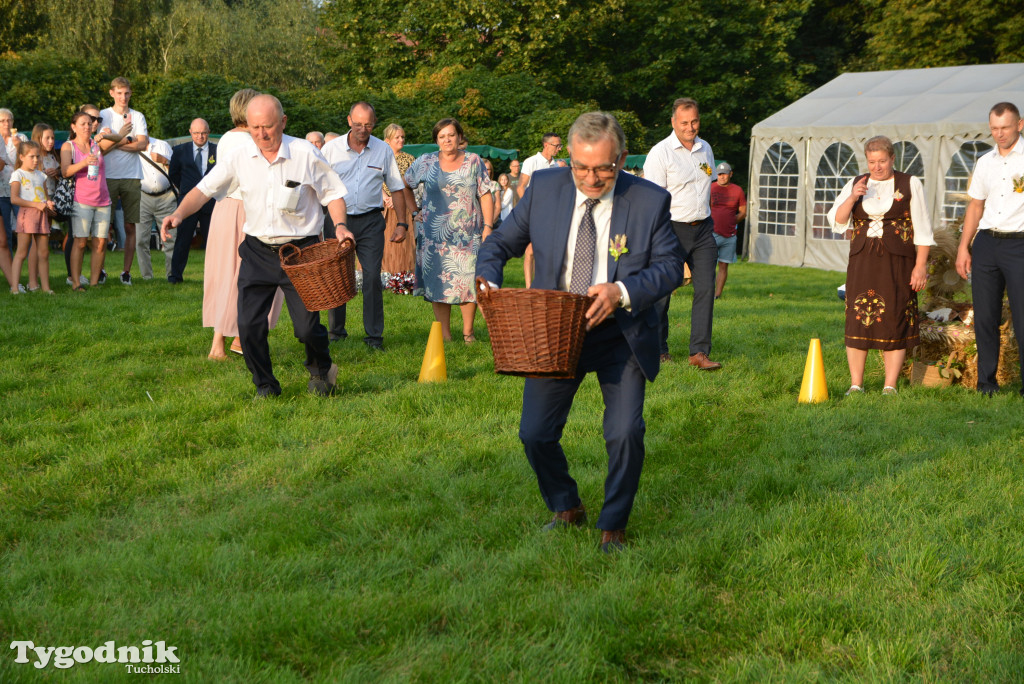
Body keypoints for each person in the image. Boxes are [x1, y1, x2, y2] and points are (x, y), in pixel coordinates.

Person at [476, 111, 684, 553]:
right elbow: (500, 243)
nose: (591, 179)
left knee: (624, 432)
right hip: (556, 330)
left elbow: (670, 268)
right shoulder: (545, 189)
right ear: (568, 158)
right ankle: (566, 505)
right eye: (582, 168)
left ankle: (613, 525)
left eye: (604, 168)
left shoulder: (650, 200)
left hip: (620, 335)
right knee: (534, 434)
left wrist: (622, 290)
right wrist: (489, 281)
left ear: (622, 158)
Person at [161, 94, 351, 398]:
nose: (262, 134)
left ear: (283, 122)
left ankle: (321, 369)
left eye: (268, 127)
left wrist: (340, 226)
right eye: (254, 127)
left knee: (305, 329)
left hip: (301, 254)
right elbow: (204, 190)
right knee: (248, 327)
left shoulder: (304, 153)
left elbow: (333, 194)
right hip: (257, 252)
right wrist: (178, 214)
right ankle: (265, 385)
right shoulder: (239, 156)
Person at [829, 135, 933, 395]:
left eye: (882, 161)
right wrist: (853, 197)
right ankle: (856, 384)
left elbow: (922, 228)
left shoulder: (910, 183)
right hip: (862, 261)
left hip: (898, 261)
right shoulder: (857, 183)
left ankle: (890, 385)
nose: (877, 166)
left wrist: (920, 266)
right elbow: (838, 222)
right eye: (872, 161)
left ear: (892, 159)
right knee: (857, 317)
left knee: (895, 316)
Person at [202, 88, 284, 361]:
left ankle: (219, 344)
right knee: (255, 273)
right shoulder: (250, 142)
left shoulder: (224, 138)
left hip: (223, 209)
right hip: (247, 209)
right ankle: (239, 337)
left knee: (225, 274)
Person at [321, 102, 410, 349]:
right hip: (338, 221)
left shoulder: (383, 150)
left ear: (374, 123)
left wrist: (402, 223)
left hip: (371, 221)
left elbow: (396, 187)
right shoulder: (331, 150)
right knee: (338, 275)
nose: (363, 129)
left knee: (371, 276)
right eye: (358, 124)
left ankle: (374, 336)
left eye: (368, 124)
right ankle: (336, 332)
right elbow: (317, 185)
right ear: (349, 120)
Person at [644, 97, 722, 370]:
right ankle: (657, 347)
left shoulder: (705, 149)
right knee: (663, 292)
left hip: (702, 230)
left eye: (695, 121)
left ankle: (699, 353)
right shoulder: (660, 153)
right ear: (673, 122)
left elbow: (708, 185)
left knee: (705, 290)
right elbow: (653, 198)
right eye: (684, 122)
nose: (691, 127)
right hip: (670, 230)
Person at [404, 117, 494, 343]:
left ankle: (468, 333)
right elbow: (405, 184)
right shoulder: (425, 161)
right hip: (434, 235)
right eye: (442, 136)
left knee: (467, 283)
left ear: (459, 137)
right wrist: (415, 212)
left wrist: (489, 227)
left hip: (468, 235)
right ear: (436, 139)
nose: (447, 140)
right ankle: (445, 335)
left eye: (451, 135)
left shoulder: (474, 161)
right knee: (438, 284)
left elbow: (485, 194)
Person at [956, 102, 1024, 396]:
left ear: (1019, 125)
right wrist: (963, 247)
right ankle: (986, 383)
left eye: (1005, 128)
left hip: (1020, 244)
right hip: (986, 243)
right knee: (984, 315)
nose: (999, 134)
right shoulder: (985, 161)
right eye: (994, 128)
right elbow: (975, 206)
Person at [60, 108, 126, 289]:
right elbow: (65, 171)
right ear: (73, 127)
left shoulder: (96, 143)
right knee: (80, 242)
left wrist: (103, 136)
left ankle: (95, 283)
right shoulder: (69, 146)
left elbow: (120, 139)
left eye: (90, 124)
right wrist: (83, 162)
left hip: (103, 199)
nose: (88, 127)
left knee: (100, 242)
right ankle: (75, 283)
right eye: (83, 124)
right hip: (81, 200)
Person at [99, 77, 149, 285]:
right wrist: (126, 139)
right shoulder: (103, 115)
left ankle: (126, 272)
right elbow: (100, 147)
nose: (123, 97)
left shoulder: (137, 116)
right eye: (119, 93)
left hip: (131, 176)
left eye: (127, 93)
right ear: (112, 93)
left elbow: (142, 145)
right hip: (107, 175)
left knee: (130, 227)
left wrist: (116, 141)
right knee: (103, 227)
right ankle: (99, 270)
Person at [167, 118, 217, 283]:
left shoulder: (218, 151)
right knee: (183, 239)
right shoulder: (180, 150)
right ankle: (175, 276)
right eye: (196, 133)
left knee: (213, 241)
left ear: (208, 132)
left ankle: (214, 277)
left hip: (211, 202)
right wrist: (185, 190)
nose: (200, 136)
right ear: (190, 132)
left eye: (203, 133)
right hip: (187, 202)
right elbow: (173, 174)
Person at [9, 141, 55, 294]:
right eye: (31, 157)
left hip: (41, 215)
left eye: (37, 157)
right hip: (27, 215)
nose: (35, 160)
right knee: (22, 252)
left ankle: (46, 287)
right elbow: (14, 199)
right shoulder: (17, 174)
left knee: (44, 252)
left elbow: (45, 196)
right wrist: (36, 205)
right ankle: (14, 287)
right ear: (21, 157)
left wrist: (48, 203)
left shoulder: (41, 176)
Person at [518, 132, 561, 288]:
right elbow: (521, 187)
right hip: (533, 212)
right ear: (546, 145)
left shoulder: (556, 166)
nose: (559, 149)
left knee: (543, 252)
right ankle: (530, 288)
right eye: (556, 146)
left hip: (550, 215)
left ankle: (539, 285)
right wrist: (529, 208)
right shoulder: (532, 162)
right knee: (530, 251)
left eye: (560, 146)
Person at [135, 136, 175, 280]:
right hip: (143, 197)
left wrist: (164, 160)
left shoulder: (162, 145)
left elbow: (175, 170)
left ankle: (172, 276)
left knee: (171, 239)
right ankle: (147, 277)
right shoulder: (131, 149)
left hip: (166, 197)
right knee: (140, 239)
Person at [380, 123, 415, 277]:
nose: (401, 140)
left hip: (403, 205)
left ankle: (404, 274)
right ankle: (384, 273)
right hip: (382, 203)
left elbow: (411, 183)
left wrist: (397, 199)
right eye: (397, 137)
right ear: (388, 140)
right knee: (384, 240)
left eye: (403, 137)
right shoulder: (380, 157)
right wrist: (386, 197)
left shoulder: (409, 159)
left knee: (404, 244)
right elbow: (374, 180)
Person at [709, 161, 746, 299]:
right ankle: (706, 292)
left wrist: (731, 222)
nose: (722, 177)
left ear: (730, 174)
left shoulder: (737, 190)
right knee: (708, 265)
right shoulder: (710, 188)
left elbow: (743, 212)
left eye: (724, 174)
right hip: (711, 233)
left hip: (729, 236)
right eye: (719, 174)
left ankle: (717, 295)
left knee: (723, 265)